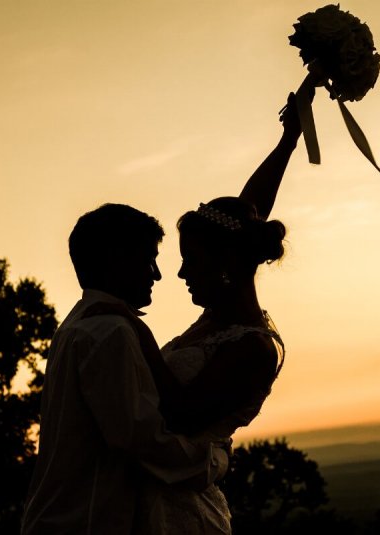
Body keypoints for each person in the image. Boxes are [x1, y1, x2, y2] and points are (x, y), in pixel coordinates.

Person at [96, 92, 308, 533]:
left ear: (227, 263)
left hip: (181, 517)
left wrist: (132, 328)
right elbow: (250, 208)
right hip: (139, 504)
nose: (179, 272)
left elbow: (179, 415)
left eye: (191, 259)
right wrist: (288, 142)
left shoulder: (253, 348)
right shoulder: (216, 318)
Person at [20, 204, 230, 535]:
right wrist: (214, 461)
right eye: (148, 259)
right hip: (86, 523)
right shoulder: (110, 332)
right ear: (115, 259)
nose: (157, 274)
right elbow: (140, 439)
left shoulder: (76, 324)